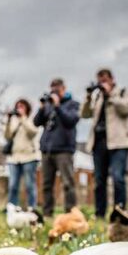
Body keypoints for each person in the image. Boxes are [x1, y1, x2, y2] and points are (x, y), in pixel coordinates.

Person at [81, 68, 128, 219]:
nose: (102, 83)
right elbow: (84, 114)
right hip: (98, 143)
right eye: (100, 80)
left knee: (118, 177)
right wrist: (88, 97)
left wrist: (110, 95)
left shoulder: (123, 92)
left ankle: (119, 213)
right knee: (99, 180)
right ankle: (99, 213)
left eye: (104, 80)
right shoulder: (97, 97)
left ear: (112, 79)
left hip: (119, 143)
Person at [33, 78, 80, 217]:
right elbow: (36, 122)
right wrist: (42, 108)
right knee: (46, 185)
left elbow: (71, 121)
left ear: (64, 89)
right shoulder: (48, 106)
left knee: (67, 183)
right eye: (52, 89)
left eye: (57, 89)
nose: (54, 92)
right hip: (47, 150)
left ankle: (70, 213)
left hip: (64, 150)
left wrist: (58, 106)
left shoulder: (73, 104)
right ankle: (47, 213)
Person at [3, 98, 40, 209]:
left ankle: (31, 208)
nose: (19, 109)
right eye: (17, 106)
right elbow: (7, 136)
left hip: (29, 157)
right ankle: (11, 209)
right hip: (14, 158)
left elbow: (33, 132)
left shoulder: (31, 119)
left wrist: (23, 118)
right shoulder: (13, 121)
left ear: (27, 108)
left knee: (29, 185)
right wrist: (9, 120)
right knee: (13, 185)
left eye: (22, 106)